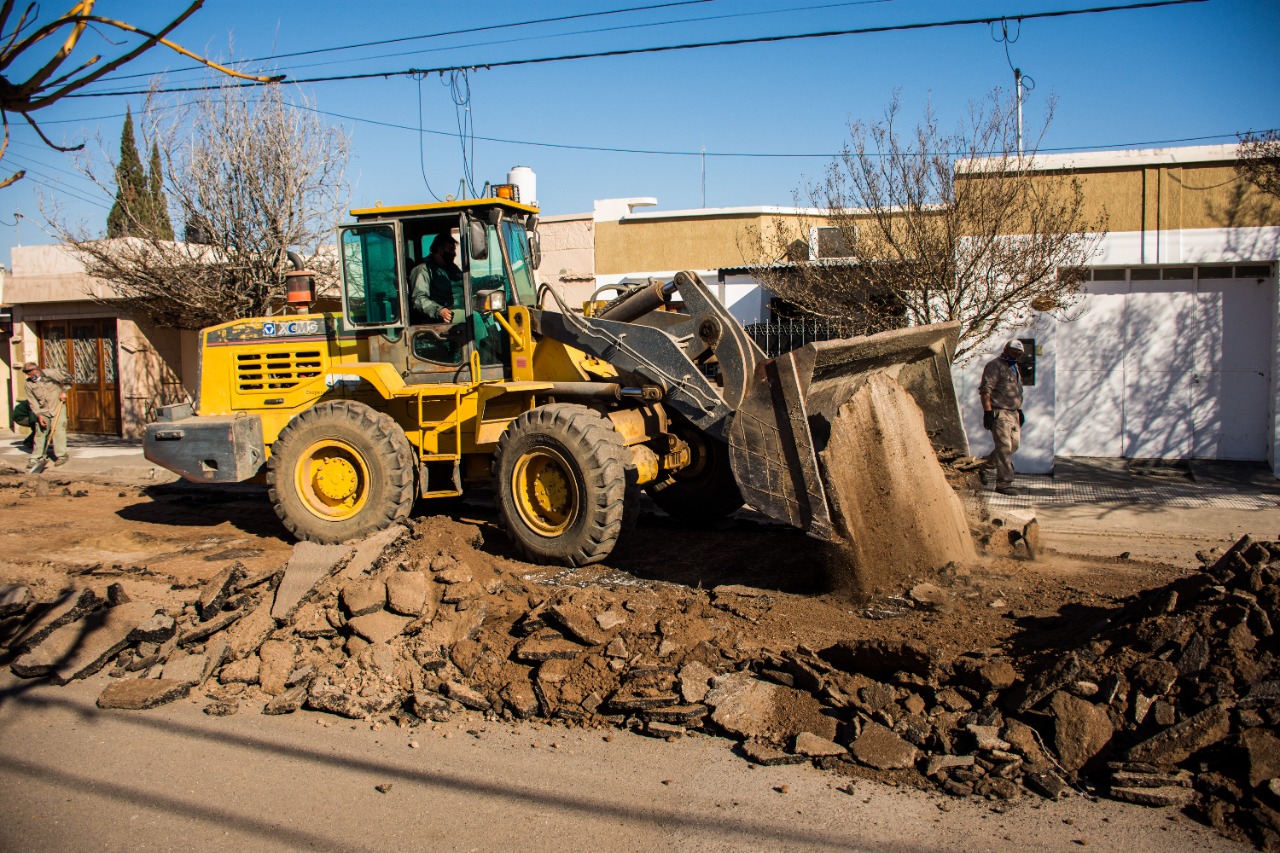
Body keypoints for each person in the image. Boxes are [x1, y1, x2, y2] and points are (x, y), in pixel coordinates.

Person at [979, 340, 1025, 496]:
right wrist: (988, 412)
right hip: (1000, 412)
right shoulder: (995, 366)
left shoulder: (1014, 368)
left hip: (1014, 413)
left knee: (1014, 446)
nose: (1016, 356)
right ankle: (1003, 483)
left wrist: (1019, 410)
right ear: (1006, 350)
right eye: (1013, 352)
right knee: (1004, 447)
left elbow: (1015, 391)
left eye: (1019, 354)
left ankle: (982, 466)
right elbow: (986, 390)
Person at [22, 361, 70, 469]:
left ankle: (61, 456)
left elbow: (69, 378)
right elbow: (32, 401)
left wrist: (63, 391)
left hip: (57, 406)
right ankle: (36, 457)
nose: (28, 375)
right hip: (43, 410)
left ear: (35, 370)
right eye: (26, 373)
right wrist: (39, 415)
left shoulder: (50, 374)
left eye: (29, 373)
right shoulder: (29, 384)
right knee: (40, 432)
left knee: (58, 431)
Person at [410, 233, 464, 323]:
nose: (454, 254)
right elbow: (419, 299)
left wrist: (490, 280)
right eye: (451, 249)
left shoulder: (450, 267)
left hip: (460, 307)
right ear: (440, 249)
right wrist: (439, 310)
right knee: (474, 317)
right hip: (440, 317)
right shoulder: (423, 269)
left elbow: (466, 282)